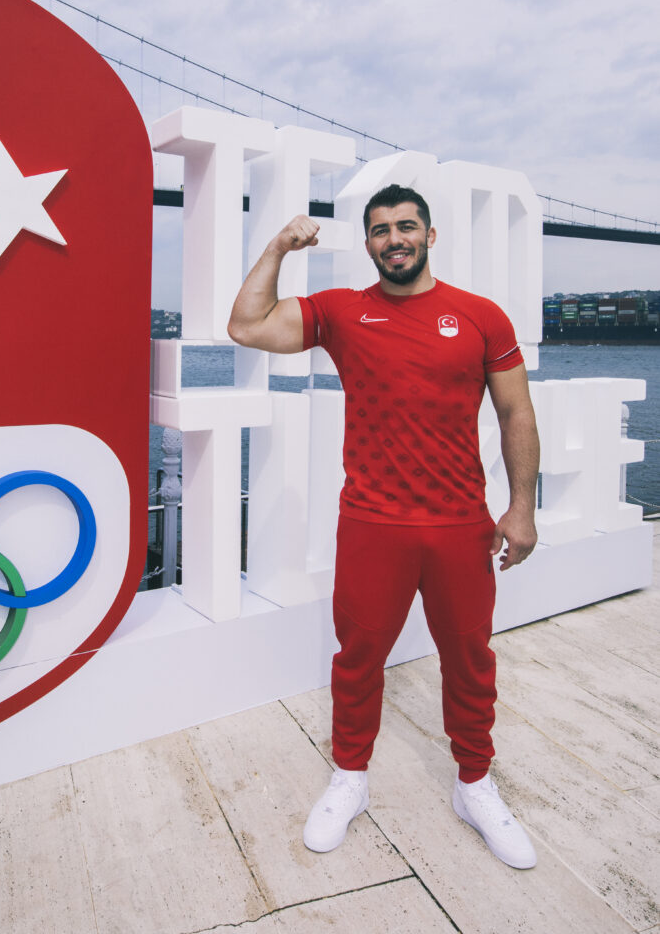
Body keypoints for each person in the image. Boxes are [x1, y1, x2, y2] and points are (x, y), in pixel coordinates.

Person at [228, 183, 540, 870]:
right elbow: (246, 326)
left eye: (405, 226)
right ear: (367, 243)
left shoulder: (480, 316)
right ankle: (350, 777)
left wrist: (521, 507)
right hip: (372, 521)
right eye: (379, 230)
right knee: (358, 657)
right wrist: (278, 247)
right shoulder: (342, 311)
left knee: (470, 658)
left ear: (429, 235)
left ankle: (473, 784)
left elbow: (515, 412)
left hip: (460, 523)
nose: (393, 239)